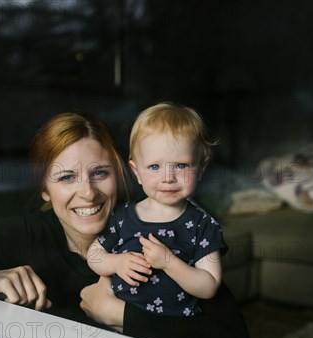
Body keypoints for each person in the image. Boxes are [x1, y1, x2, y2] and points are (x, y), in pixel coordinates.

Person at [0, 112, 252, 338]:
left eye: (100, 173)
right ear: (44, 190)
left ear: (122, 174)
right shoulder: (27, 235)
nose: (88, 192)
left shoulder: (161, 230)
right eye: (67, 177)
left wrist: (120, 314)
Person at [88, 102, 225, 318]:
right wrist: (116, 262)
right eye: (154, 167)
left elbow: (209, 286)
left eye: (181, 165)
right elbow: (94, 255)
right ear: (136, 172)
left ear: (201, 167)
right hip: (117, 324)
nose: (168, 178)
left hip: (173, 332)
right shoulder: (123, 216)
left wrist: (168, 262)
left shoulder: (203, 225)